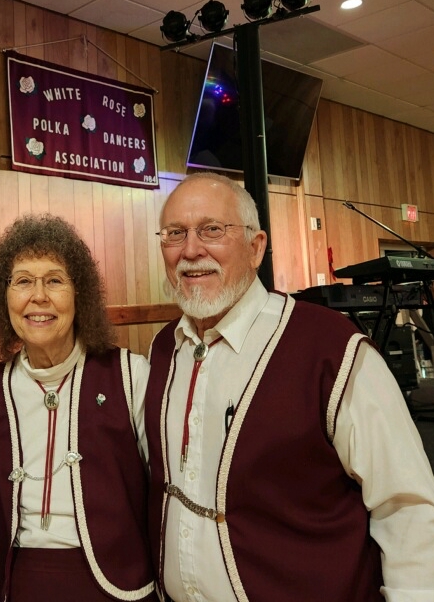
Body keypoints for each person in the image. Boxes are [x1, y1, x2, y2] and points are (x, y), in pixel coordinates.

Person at [146, 171, 434, 601]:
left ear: (256, 246)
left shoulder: (333, 352)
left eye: (212, 230)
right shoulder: (163, 349)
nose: (190, 250)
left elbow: (406, 506)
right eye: (175, 233)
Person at [0, 214, 156, 601]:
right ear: (2, 297)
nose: (38, 296)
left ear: (81, 295)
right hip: (14, 585)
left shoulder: (130, 376)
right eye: (23, 281)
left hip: (116, 586)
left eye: (54, 280)